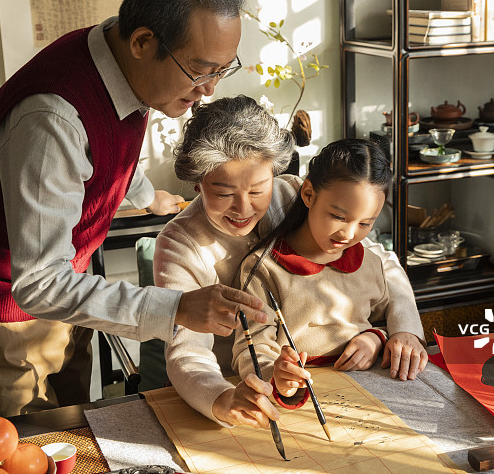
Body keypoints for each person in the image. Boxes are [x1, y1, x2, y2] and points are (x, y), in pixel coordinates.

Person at [0, 0, 267, 426]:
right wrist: (177, 307)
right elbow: (39, 282)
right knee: (20, 450)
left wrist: (147, 195)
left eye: (223, 70)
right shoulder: (51, 118)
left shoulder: (126, 64)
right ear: (143, 42)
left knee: (74, 439)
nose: (208, 90)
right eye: (200, 71)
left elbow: (103, 151)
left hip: (62, 298)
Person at [155, 100, 426, 429]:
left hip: (322, 382)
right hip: (234, 388)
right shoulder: (178, 244)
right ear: (198, 183)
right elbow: (187, 351)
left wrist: (401, 331)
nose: (243, 208)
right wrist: (221, 399)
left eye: (258, 190)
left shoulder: (294, 193)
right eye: (224, 193)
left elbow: (376, 262)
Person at [231, 139, 429, 406]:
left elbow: (385, 321)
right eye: (338, 217)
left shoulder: (369, 263)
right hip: (301, 396)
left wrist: (375, 339)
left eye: (365, 223)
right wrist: (274, 374)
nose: (348, 234)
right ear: (309, 195)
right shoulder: (264, 268)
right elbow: (251, 346)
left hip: (372, 391)